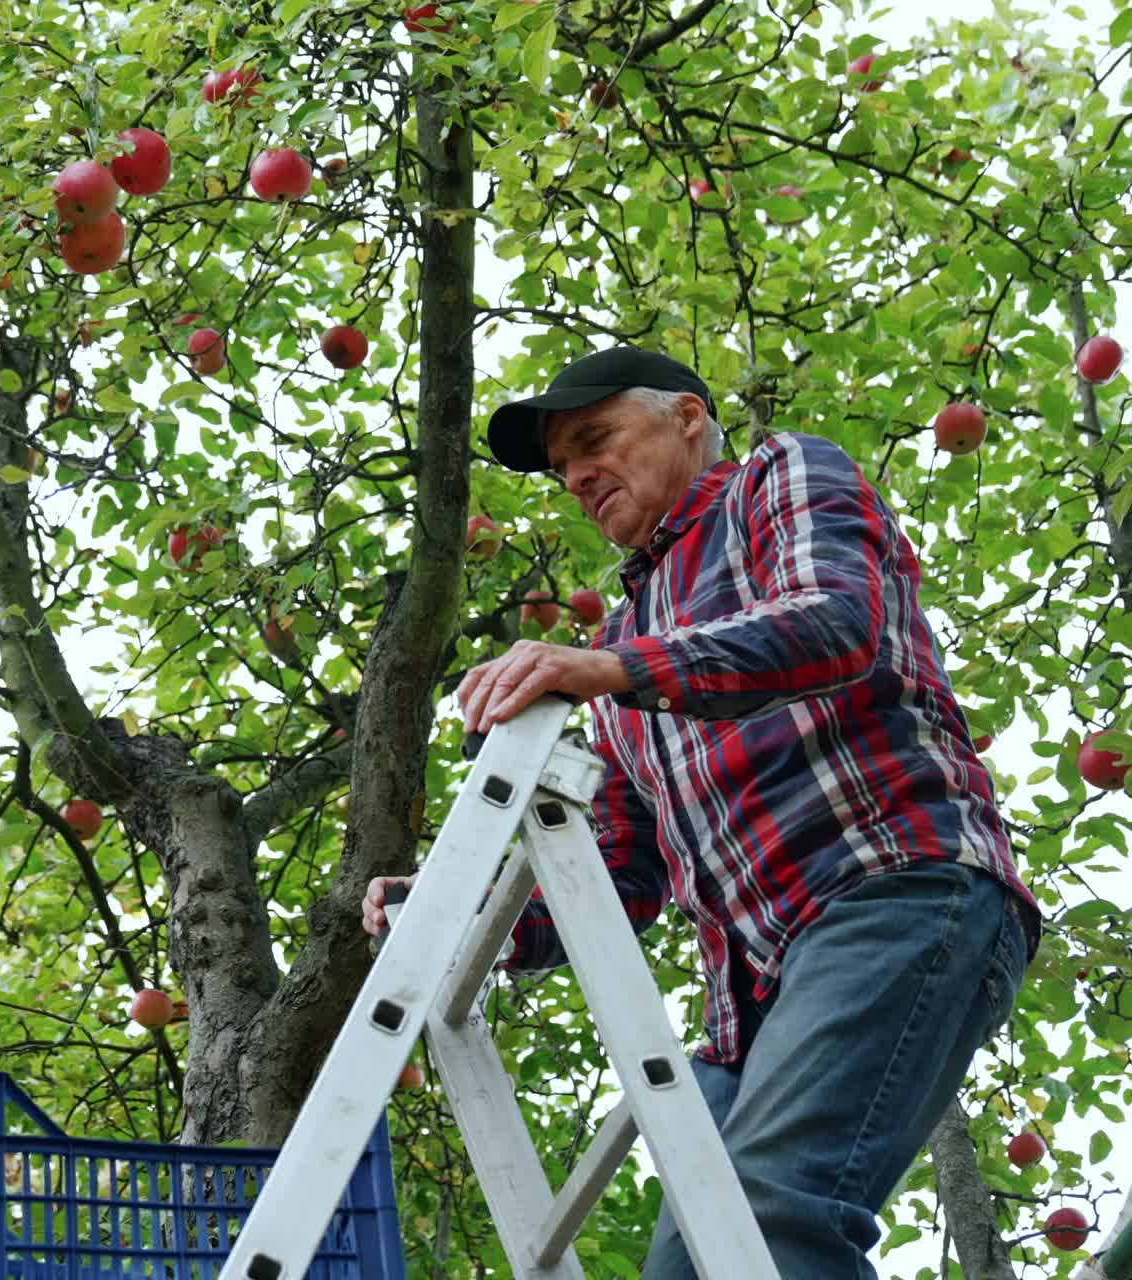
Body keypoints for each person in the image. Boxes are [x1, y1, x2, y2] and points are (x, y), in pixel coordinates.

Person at [361, 346, 1040, 1280]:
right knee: (690, 1266)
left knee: (770, 1218)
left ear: (686, 417)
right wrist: (460, 925)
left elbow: (838, 620)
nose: (578, 476)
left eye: (594, 440)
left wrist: (608, 672)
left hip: (892, 886)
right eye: (563, 467)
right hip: (751, 1001)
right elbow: (625, 873)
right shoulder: (625, 638)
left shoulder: (777, 475)